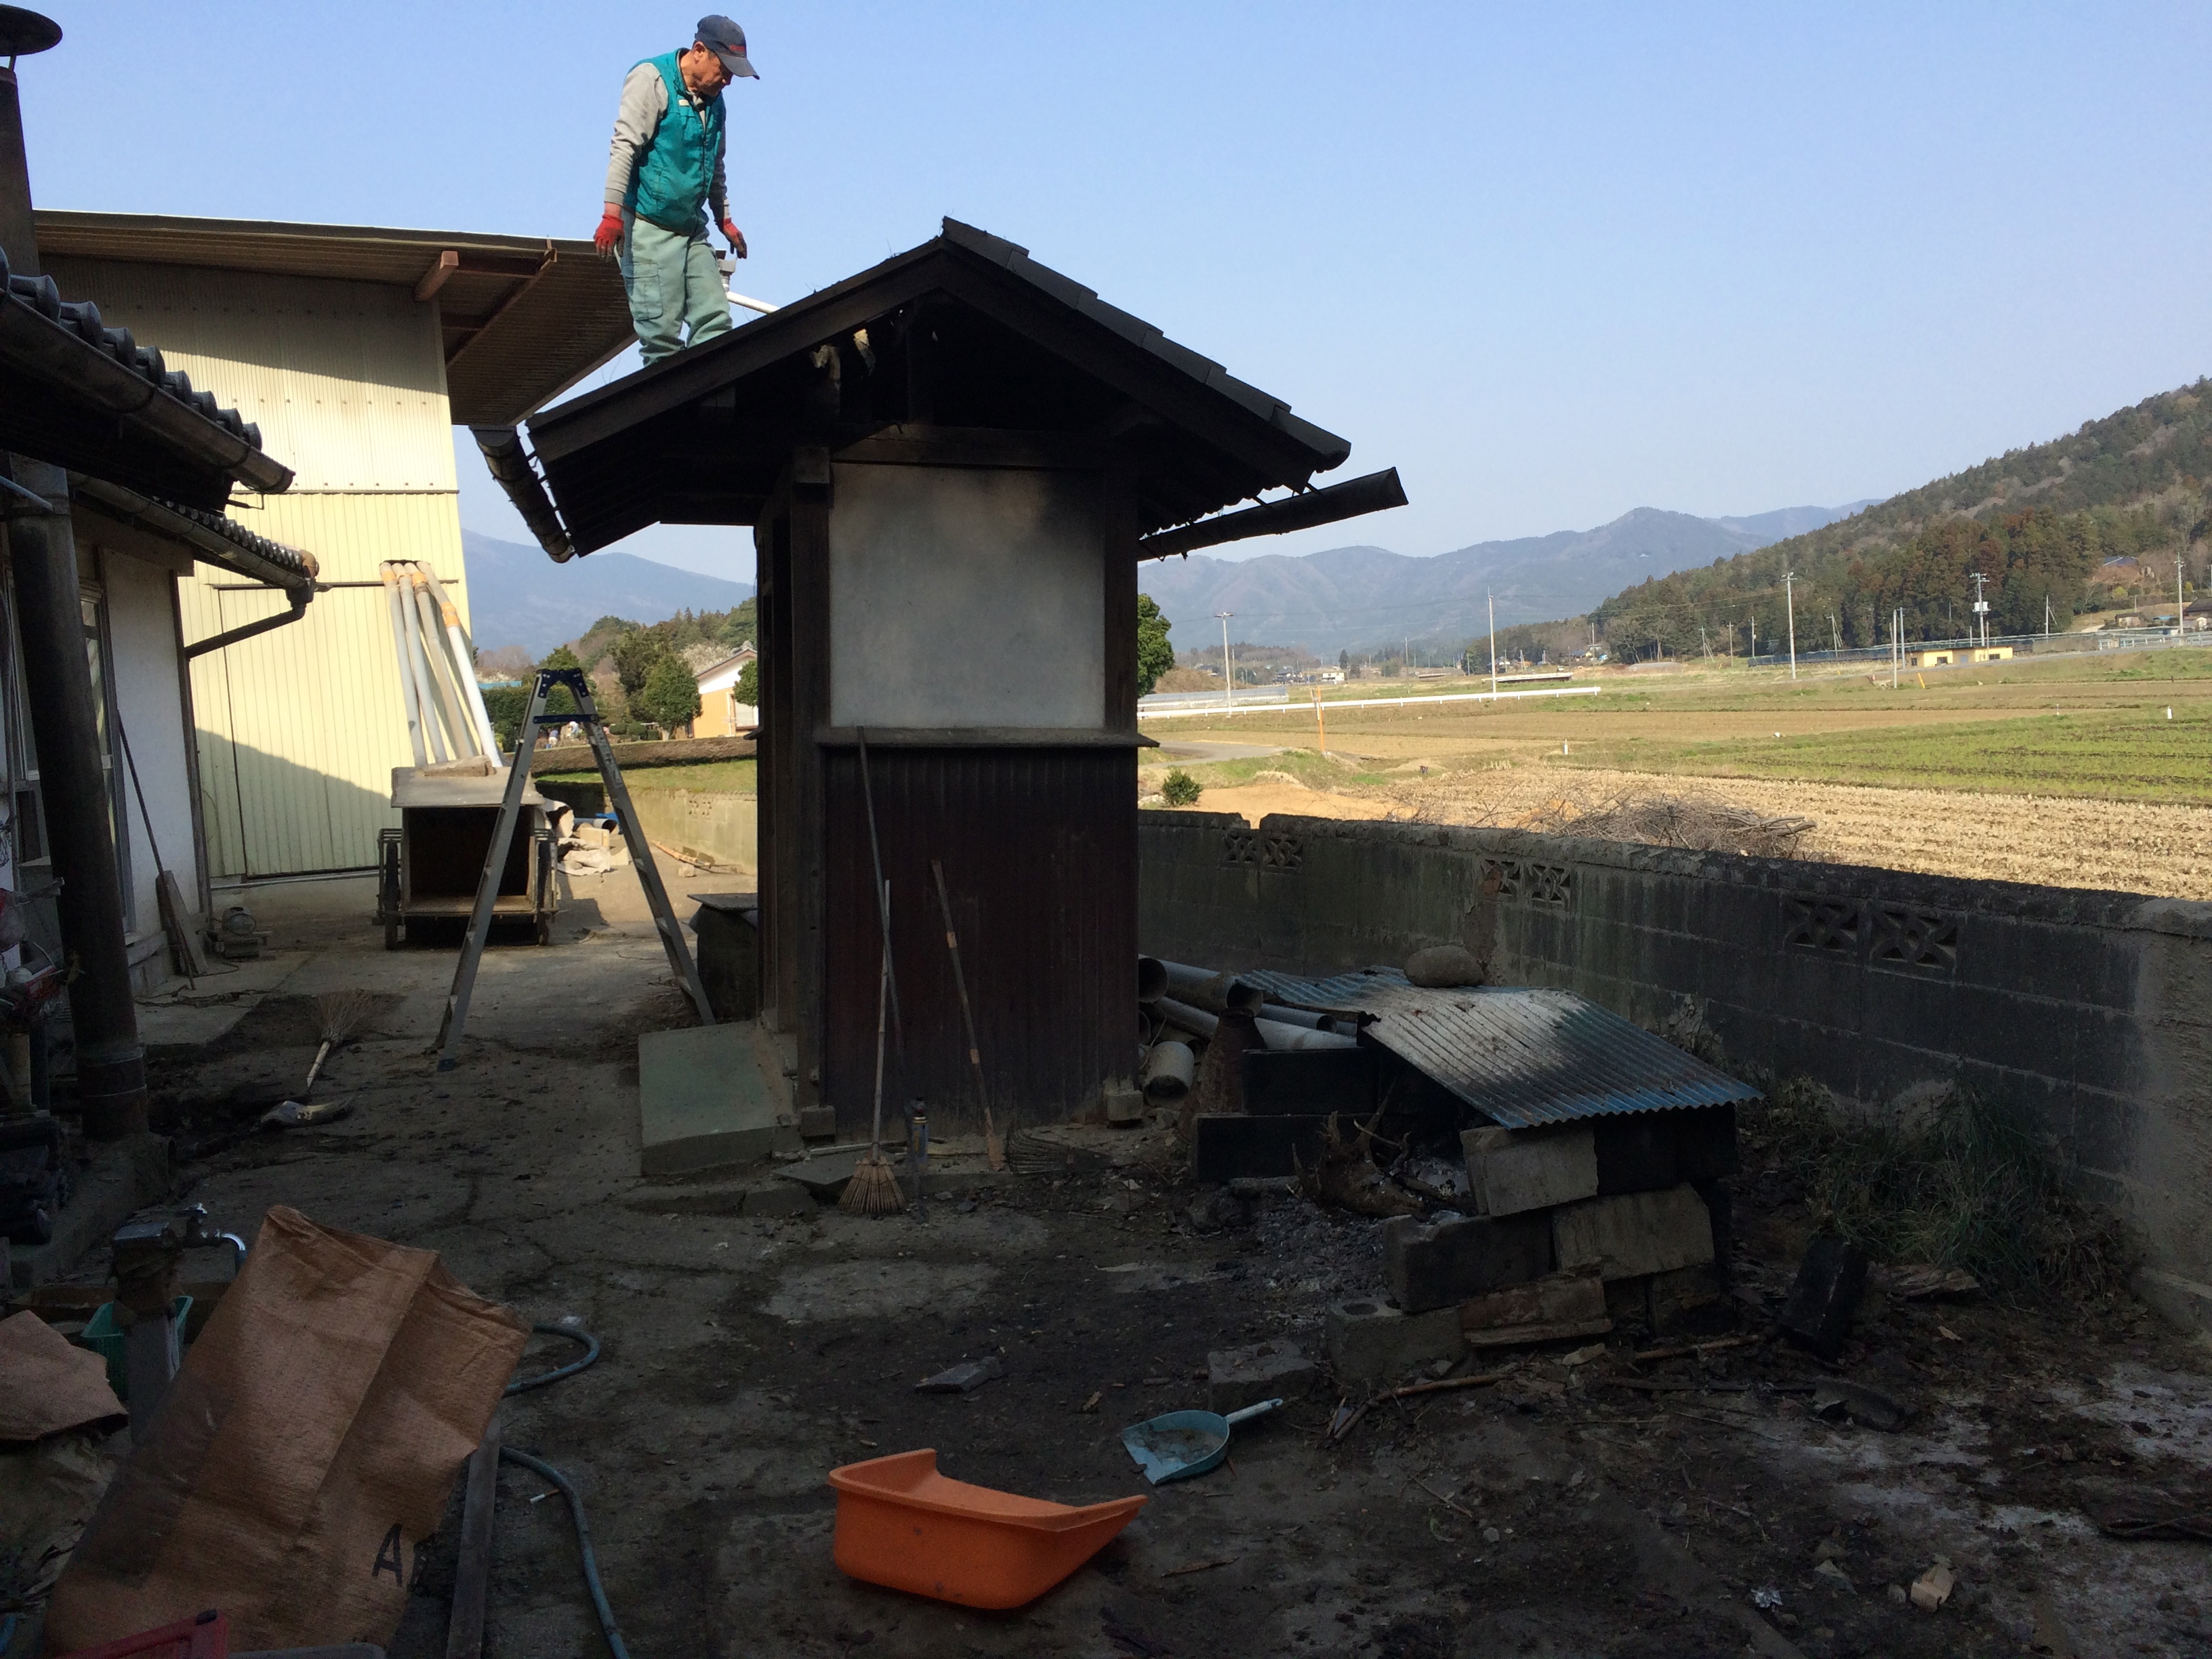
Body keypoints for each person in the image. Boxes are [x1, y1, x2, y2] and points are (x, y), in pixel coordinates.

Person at [595, 17, 758, 365]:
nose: (728, 80)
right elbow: (624, 147)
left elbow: (714, 164)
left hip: (691, 228)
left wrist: (725, 219)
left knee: (715, 323)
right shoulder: (651, 80)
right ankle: (672, 401)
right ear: (699, 51)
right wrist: (611, 215)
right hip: (647, 229)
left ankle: (712, 393)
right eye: (724, 69)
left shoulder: (715, 101)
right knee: (662, 342)